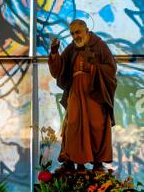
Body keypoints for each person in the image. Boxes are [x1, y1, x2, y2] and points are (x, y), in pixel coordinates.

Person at [48, 19, 117, 173]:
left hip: (95, 93)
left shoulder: (99, 45)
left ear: (86, 30)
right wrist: (54, 53)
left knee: (97, 126)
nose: (75, 36)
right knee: (73, 126)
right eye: (72, 33)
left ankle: (97, 163)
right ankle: (74, 161)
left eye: (78, 32)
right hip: (76, 93)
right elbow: (59, 69)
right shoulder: (72, 48)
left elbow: (111, 69)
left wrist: (93, 66)